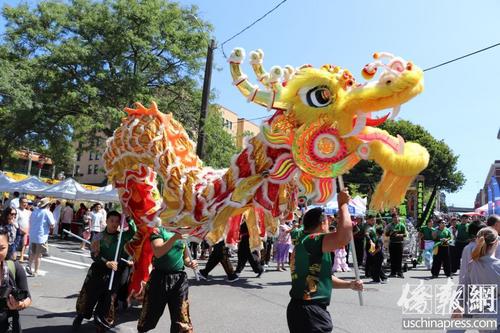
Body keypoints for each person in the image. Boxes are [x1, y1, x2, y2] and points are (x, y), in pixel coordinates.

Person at [287, 189, 353, 333]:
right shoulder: (312, 240)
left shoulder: (309, 243)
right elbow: (344, 237)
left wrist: (350, 284)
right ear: (323, 223)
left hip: (306, 310)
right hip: (309, 311)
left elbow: (324, 278)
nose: (329, 225)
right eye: (328, 221)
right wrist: (343, 205)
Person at [73, 211, 136, 332]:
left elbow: (134, 231)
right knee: (89, 296)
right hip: (98, 270)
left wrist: (128, 217)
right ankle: (80, 316)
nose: (114, 224)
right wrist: (106, 262)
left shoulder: (122, 236)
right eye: (112, 221)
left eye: (117, 221)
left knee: (108, 298)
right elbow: (94, 254)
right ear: (106, 221)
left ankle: (100, 321)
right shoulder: (99, 236)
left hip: (114, 272)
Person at [137, 227, 198, 333]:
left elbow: (186, 258)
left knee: (181, 317)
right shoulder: (158, 231)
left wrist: (190, 263)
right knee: (151, 315)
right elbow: (158, 252)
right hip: (159, 278)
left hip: (179, 279)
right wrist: (174, 238)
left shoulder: (182, 230)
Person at [454, 227, 499, 332]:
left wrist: (458, 306)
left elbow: (464, 286)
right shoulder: (497, 265)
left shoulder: (472, 264)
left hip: (479, 313)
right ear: (496, 242)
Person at [0, 226, 32, 333]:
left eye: (1, 248)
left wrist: (19, 304)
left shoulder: (14, 267)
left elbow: (28, 298)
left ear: (8, 246)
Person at [27, 198, 55, 276]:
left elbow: (30, 221)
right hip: (41, 235)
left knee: (33, 252)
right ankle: (35, 271)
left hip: (33, 234)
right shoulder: (47, 212)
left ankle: (29, 265)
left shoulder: (34, 211)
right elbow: (52, 225)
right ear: (48, 205)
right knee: (38, 255)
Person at [385, 212, 407, 278]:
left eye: (397, 217)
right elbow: (386, 234)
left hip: (399, 243)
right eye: (394, 218)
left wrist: (399, 235)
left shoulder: (402, 225)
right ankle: (393, 273)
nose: (396, 219)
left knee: (399, 259)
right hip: (392, 243)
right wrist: (391, 233)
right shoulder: (389, 225)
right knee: (392, 258)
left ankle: (400, 272)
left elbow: (405, 234)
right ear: (392, 218)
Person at [15, 198, 30, 262]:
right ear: (20, 202)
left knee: (24, 244)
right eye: (24, 202)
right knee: (16, 244)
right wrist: (20, 229)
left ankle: (21, 256)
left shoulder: (27, 211)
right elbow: (15, 222)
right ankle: (14, 257)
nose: (25, 204)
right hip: (18, 230)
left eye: (26, 202)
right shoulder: (16, 210)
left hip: (26, 230)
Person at [363, 214, 376, 278]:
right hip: (370, 245)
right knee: (369, 259)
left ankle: (371, 272)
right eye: (372, 220)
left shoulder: (373, 226)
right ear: (368, 220)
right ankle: (367, 273)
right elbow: (366, 234)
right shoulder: (368, 226)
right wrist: (370, 240)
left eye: (374, 220)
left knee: (372, 258)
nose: (373, 221)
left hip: (373, 244)